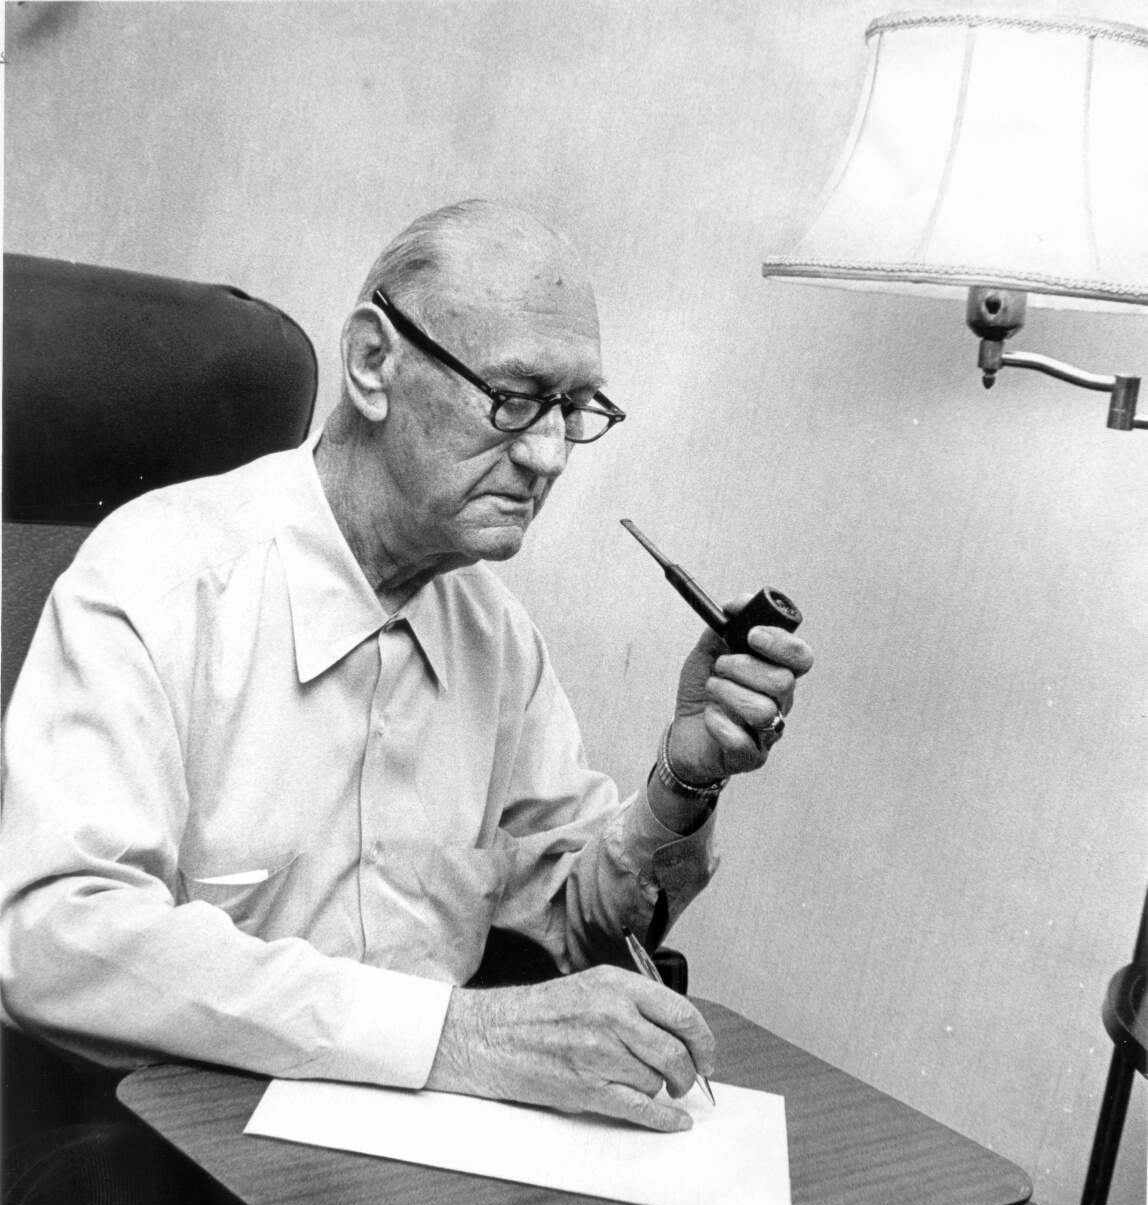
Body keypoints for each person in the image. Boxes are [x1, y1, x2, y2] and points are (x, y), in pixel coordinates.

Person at [0, 199, 813, 1136]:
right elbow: (57, 938)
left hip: (419, 1148)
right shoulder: (157, 578)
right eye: (514, 399)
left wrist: (685, 780)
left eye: (574, 409)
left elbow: (575, 922)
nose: (549, 455)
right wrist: (456, 1037)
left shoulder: (494, 637)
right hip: (174, 1141)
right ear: (372, 362)